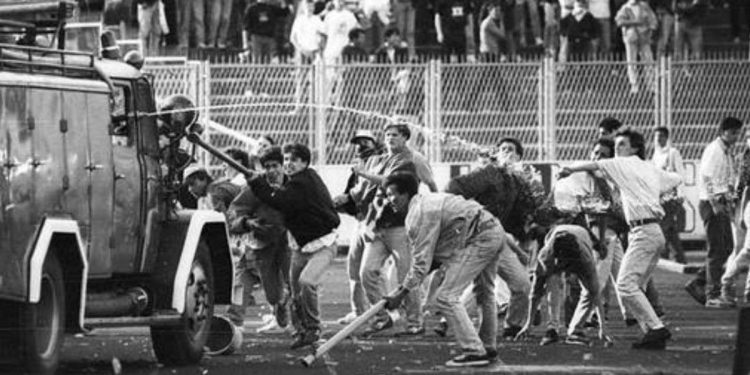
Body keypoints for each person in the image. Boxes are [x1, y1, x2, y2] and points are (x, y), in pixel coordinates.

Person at [559, 127, 682, 349]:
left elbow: (594, 165)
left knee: (625, 285)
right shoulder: (647, 168)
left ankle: (656, 328)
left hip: (643, 232)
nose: (617, 149)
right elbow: (675, 179)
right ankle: (650, 331)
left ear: (635, 148)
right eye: (616, 146)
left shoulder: (622, 163)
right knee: (635, 286)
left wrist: (568, 169)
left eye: (621, 145)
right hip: (652, 232)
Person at [383, 172, 505, 367]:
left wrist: (402, 292)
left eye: (392, 195)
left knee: (446, 297)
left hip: (480, 236)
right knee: (484, 292)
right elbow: (432, 260)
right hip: (492, 229)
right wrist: (402, 290)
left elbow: (422, 262)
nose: (390, 201)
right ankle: (487, 346)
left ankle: (474, 351)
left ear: (406, 194)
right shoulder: (427, 201)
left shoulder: (419, 214)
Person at [247, 143, 341, 349]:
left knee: (306, 282)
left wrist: (257, 184)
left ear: (305, 163)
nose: (289, 164)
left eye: (294, 160)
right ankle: (301, 330)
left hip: (322, 245)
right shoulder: (298, 180)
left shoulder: (303, 182)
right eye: (287, 159)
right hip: (300, 246)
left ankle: (314, 328)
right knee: (295, 290)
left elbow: (280, 201)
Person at [352, 123, 437, 336]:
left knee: (406, 276)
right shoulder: (379, 160)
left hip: (401, 225)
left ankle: (415, 322)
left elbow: (390, 182)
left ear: (405, 138)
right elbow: (367, 191)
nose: (390, 138)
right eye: (387, 135)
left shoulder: (409, 159)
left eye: (395, 135)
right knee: (367, 272)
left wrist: (363, 174)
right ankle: (382, 317)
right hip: (378, 224)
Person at [516, 223, 613, 346]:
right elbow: (536, 292)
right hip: (556, 236)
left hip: (582, 236)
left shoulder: (585, 257)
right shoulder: (546, 256)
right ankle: (552, 329)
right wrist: (527, 325)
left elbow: (595, 293)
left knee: (589, 291)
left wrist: (602, 327)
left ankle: (576, 329)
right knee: (553, 281)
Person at [228, 146, 292, 333]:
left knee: (290, 286)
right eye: (267, 167)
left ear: (282, 166)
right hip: (257, 245)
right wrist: (247, 223)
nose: (271, 170)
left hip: (287, 244)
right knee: (241, 284)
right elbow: (233, 213)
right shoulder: (254, 188)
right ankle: (233, 325)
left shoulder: (294, 186)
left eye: (275, 166)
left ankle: (300, 322)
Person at [686, 117, 744, 307]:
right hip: (712, 203)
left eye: (738, 133)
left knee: (726, 247)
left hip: (720, 202)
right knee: (717, 248)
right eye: (733, 132)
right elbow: (706, 177)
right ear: (723, 131)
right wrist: (714, 203)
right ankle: (712, 294)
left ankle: (700, 281)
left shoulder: (726, 151)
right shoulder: (715, 150)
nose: (737, 137)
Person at [333, 130, 385, 325]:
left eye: (366, 142)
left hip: (375, 220)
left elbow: (370, 190)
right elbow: (352, 195)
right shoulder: (357, 167)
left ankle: (385, 310)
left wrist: (347, 198)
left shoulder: (380, 162)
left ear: (375, 143)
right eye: (358, 142)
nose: (361, 146)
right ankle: (359, 310)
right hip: (362, 219)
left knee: (371, 270)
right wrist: (344, 202)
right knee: (354, 268)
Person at [720, 130, 750, 307]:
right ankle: (726, 282)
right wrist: (741, 214)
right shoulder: (744, 160)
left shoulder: (742, 158)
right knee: (745, 251)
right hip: (746, 207)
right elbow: (745, 189)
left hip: (744, 207)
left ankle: (746, 290)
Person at [651, 127, 687, 264]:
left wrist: (680, 194)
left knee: (664, 226)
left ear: (666, 137)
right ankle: (678, 257)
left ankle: (665, 256)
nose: (658, 139)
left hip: (670, 195)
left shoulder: (673, 153)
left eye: (661, 136)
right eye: (656, 137)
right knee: (669, 228)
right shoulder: (656, 154)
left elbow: (681, 174)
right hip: (660, 195)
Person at [615, 0, 657, 94]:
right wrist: (634, 22)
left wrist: (650, 31)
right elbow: (619, 21)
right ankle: (634, 85)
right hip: (631, 38)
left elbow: (653, 21)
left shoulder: (645, 7)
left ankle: (651, 85)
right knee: (631, 62)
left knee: (648, 61)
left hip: (644, 38)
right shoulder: (625, 8)